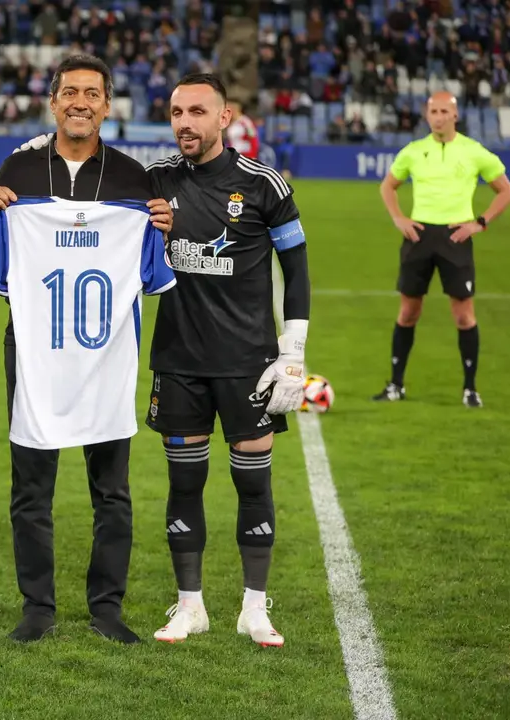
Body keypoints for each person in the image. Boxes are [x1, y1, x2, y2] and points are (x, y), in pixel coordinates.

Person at [0, 54, 173, 645]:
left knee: (111, 488)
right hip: (32, 349)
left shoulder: (136, 179)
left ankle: (106, 607)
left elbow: (157, 267)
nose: (80, 102)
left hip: (107, 353)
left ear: (107, 105)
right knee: (31, 484)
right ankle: (38, 607)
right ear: (53, 103)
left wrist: (163, 228)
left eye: (92, 93)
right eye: (70, 93)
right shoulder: (21, 169)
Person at [144, 73, 309, 647]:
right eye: (175, 112)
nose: (184, 122)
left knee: (253, 488)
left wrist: (294, 350)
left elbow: (298, 269)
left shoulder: (264, 184)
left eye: (196, 111)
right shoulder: (156, 181)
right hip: (179, 361)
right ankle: (190, 607)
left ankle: (254, 608)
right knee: (183, 484)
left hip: (248, 363)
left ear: (224, 116)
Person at [372, 91, 510, 408]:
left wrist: (480, 222)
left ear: (455, 115)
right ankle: (396, 385)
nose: (438, 117)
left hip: (456, 237)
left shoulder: (473, 151)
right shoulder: (413, 151)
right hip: (419, 236)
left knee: (464, 316)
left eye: (443, 111)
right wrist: (398, 217)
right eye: (433, 111)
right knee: (408, 312)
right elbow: (388, 185)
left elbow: (506, 191)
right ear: (426, 116)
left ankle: (470, 389)